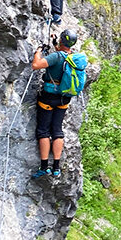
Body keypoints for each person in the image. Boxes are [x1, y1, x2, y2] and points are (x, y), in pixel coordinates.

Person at [29, 29, 78, 179]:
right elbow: (60, 53)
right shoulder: (72, 57)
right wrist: (55, 42)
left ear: (62, 41)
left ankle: (44, 167)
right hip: (64, 98)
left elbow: (36, 65)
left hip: (48, 97)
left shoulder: (56, 56)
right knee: (57, 130)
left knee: (44, 130)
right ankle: (56, 168)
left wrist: (38, 51)